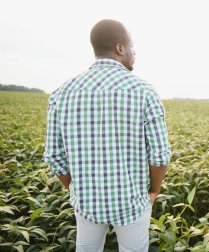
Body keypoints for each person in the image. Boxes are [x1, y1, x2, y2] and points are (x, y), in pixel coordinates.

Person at [43, 19, 171, 252]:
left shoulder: (62, 93)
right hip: (132, 203)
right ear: (120, 48)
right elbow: (160, 155)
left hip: (86, 203)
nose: (135, 53)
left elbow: (53, 156)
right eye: (132, 47)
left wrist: (77, 188)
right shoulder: (144, 91)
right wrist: (153, 191)